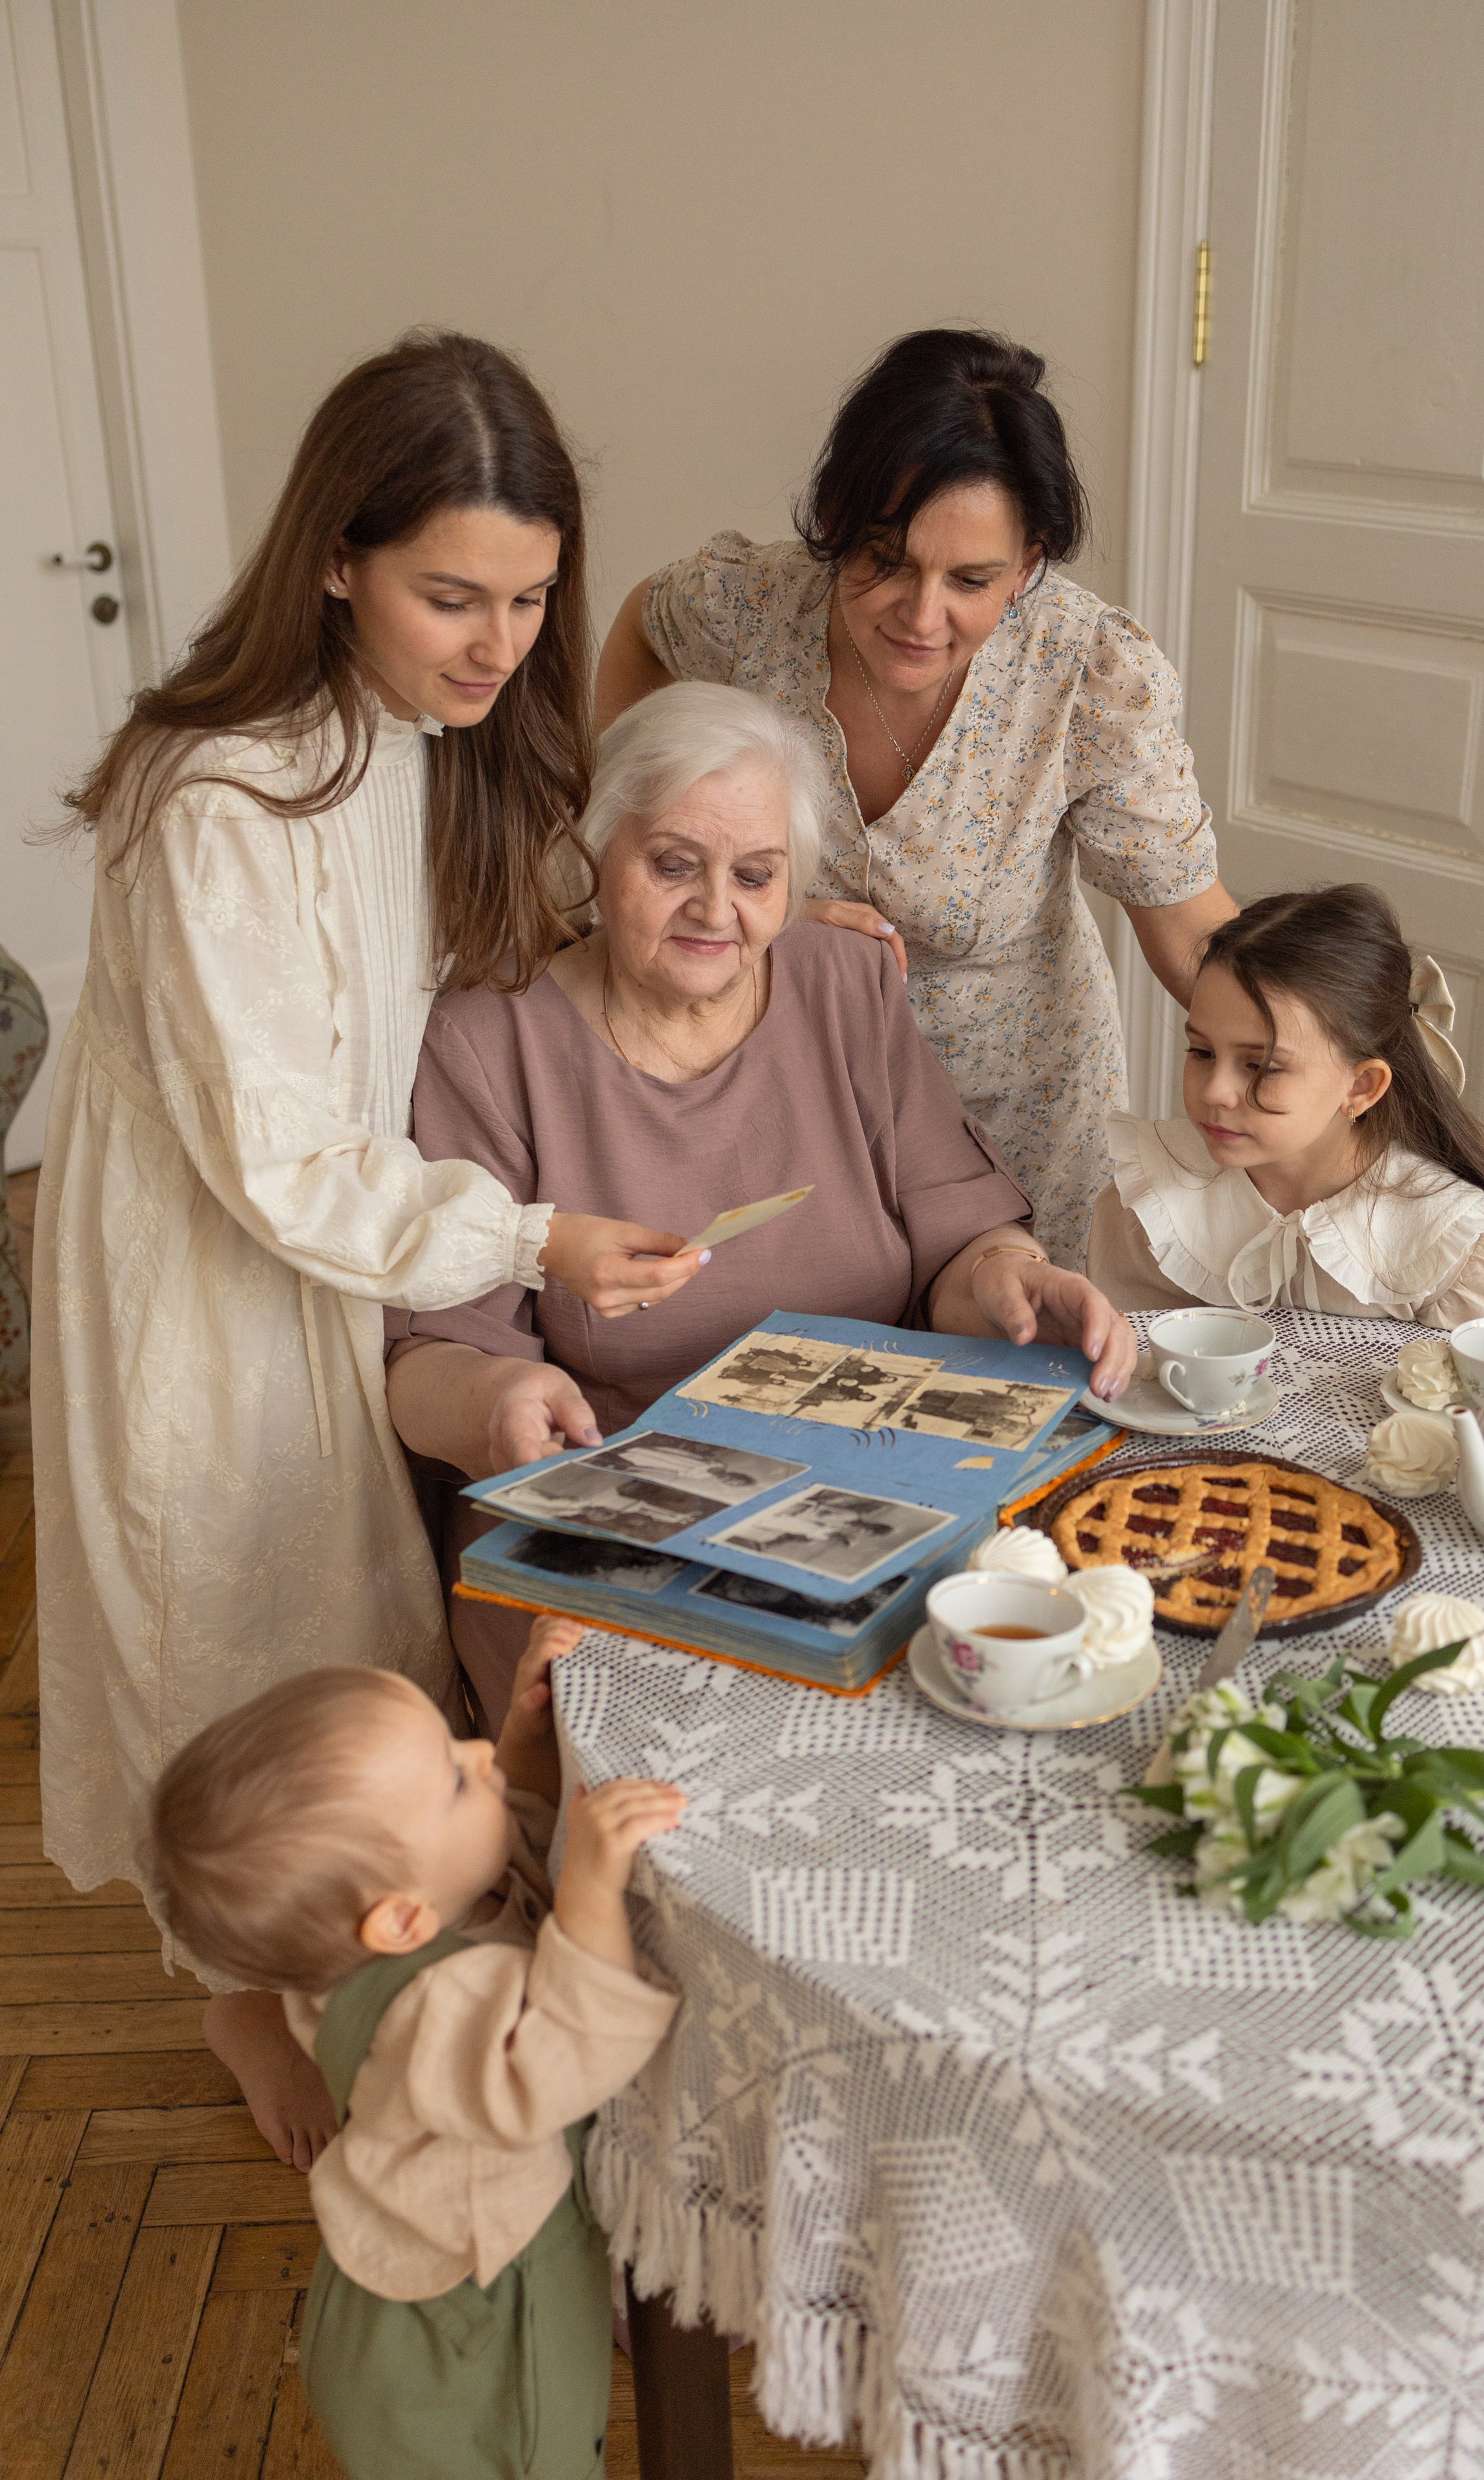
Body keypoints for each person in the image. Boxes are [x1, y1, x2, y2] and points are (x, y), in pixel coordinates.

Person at [32, 331, 703, 2170]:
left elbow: (533, 900)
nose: (495, 645)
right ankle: (246, 1995)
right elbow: (276, 1151)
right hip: (209, 1265)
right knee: (220, 1643)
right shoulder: (217, 796)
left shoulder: (431, 737)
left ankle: (369, 1958)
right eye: (450, 598)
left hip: (330, 1258)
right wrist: (535, 1230)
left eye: (531, 599)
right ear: (335, 557)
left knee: (336, 1628)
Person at [384, 681, 1139, 1728]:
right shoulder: (490, 1041)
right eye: (673, 864)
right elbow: (428, 1359)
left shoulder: (847, 984)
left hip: (882, 1494)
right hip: (635, 1535)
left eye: (756, 875)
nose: (716, 910)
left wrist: (1015, 1283)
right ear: (599, 851)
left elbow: (957, 1239)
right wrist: (495, 1407)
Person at [596, 328, 1237, 1267]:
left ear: (1029, 566)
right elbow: (642, 628)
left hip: (1016, 1120)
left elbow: (1191, 934)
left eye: (971, 581)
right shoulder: (754, 607)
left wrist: (1307, 1053)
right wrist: (647, 826)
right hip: (794, 1099)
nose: (921, 615)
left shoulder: (1087, 672)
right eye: (884, 560)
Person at [149, 1619, 683, 2480]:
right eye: (454, 1778)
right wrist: (591, 1881)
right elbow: (569, 2054)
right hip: (479, 2333)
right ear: (401, 1921)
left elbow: (490, 1861)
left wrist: (525, 1737)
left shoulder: (376, 1935)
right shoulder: (433, 2005)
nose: (479, 1758)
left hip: (393, 2298)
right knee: (541, 2457)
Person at [1086, 885, 1484, 1324]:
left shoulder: (1454, 1251)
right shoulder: (1152, 1206)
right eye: (1202, 1052)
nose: (1214, 1091)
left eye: (1263, 1067)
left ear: (1361, 1087)